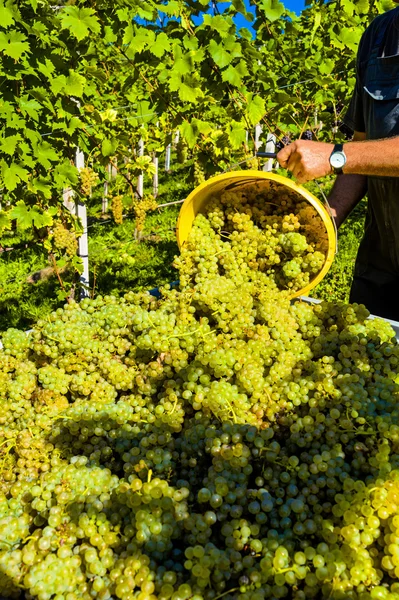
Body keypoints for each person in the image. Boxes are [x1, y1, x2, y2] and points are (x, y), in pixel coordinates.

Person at [276, 5, 399, 321]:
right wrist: (325, 220)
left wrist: (334, 156)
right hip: (382, 267)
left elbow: (347, 156)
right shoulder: (378, 35)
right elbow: (361, 148)